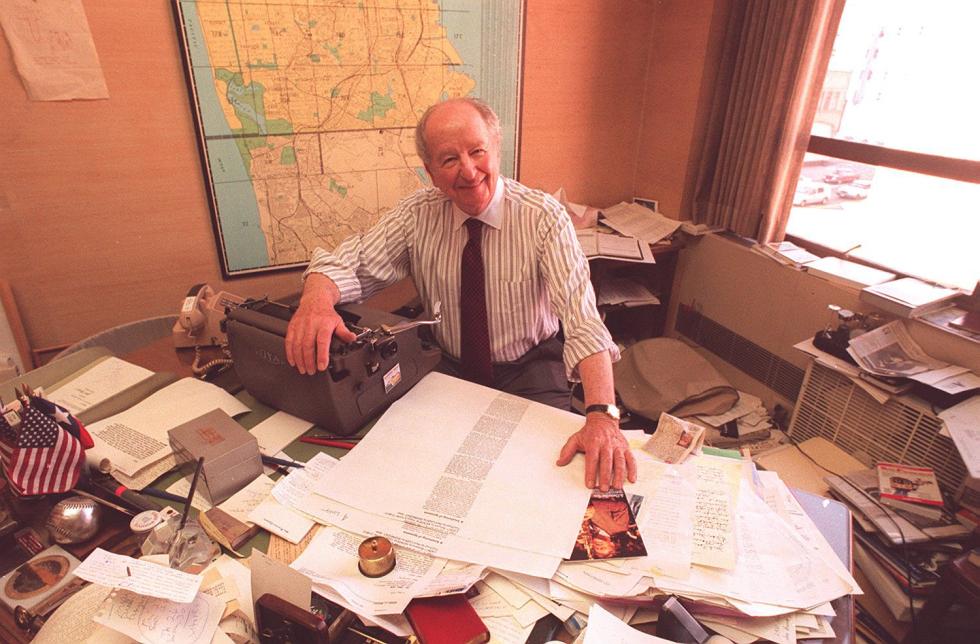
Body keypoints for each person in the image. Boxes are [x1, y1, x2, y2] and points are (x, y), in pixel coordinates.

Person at [284, 97, 636, 491]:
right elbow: (352, 262)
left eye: (477, 152)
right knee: (422, 474)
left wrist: (603, 416)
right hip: (447, 365)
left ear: (495, 150)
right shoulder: (417, 214)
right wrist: (316, 299)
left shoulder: (543, 218)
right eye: (449, 159)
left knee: (541, 479)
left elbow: (582, 319)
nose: (468, 171)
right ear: (431, 172)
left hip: (530, 368)